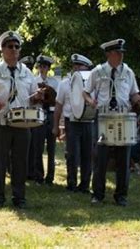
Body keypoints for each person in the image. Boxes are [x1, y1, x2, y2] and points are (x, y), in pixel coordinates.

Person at [0, 30, 41, 209]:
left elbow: (32, 97)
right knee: (0, 161)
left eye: (16, 46)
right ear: (2, 50)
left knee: (20, 161)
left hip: (23, 122)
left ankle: (19, 197)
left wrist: (38, 96)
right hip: (2, 121)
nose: (14, 49)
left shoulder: (27, 72)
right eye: (10, 46)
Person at [82, 39, 140, 206]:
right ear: (109, 54)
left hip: (123, 118)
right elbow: (85, 92)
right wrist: (90, 101)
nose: (121, 56)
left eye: (122, 53)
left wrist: (139, 99)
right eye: (118, 53)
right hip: (103, 118)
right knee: (101, 158)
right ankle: (98, 195)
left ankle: (121, 196)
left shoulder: (128, 72)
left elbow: (133, 94)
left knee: (124, 159)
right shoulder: (98, 71)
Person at [53, 54, 94, 193]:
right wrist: (56, 126)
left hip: (88, 122)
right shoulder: (65, 83)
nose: (77, 68)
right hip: (72, 122)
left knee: (88, 155)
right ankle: (71, 183)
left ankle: (85, 185)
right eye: (76, 66)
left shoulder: (92, 83)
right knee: (72, 155)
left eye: (81, 66)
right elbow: (58, 106)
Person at [31, 55, 59, 185]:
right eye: (41, 66)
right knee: (38, 147)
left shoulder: (54, 82)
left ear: (48, 68)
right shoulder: (33, 81)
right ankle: (38, 176)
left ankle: (50, 177)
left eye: (45, 67)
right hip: (39, 114)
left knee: (52, 148)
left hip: (51, 114)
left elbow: (57, 101)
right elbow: (30, 100)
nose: (42, 69)